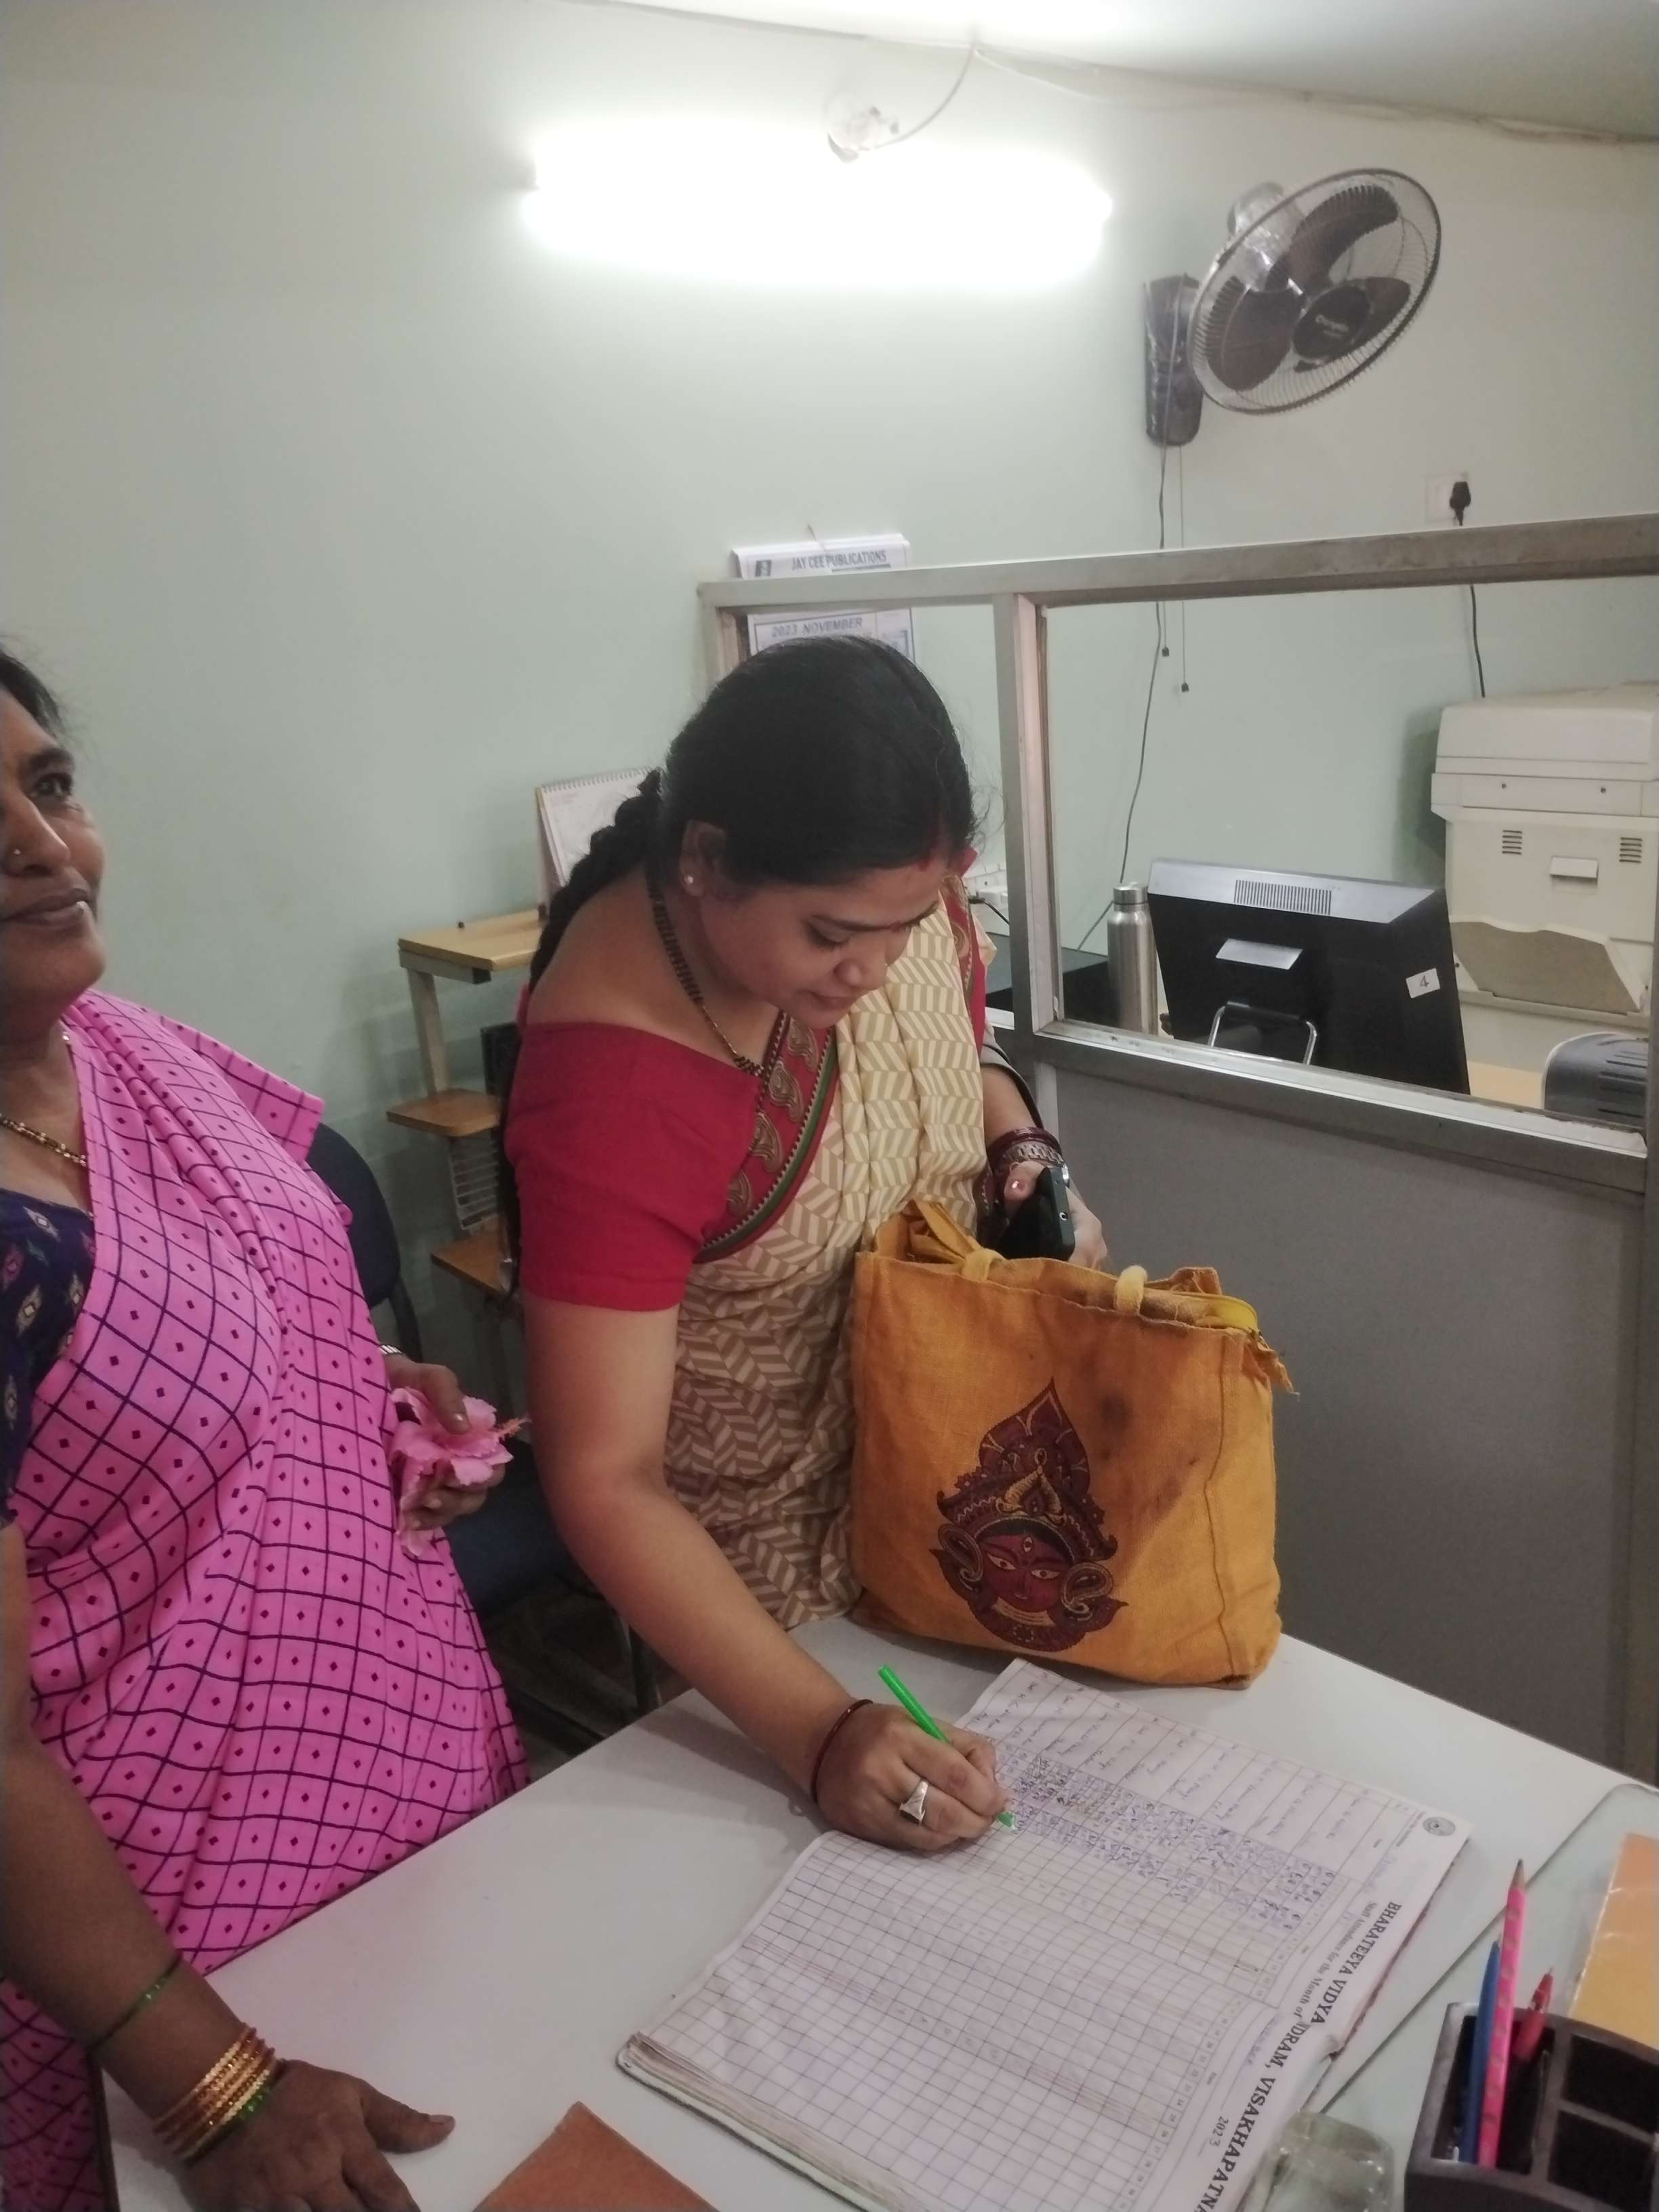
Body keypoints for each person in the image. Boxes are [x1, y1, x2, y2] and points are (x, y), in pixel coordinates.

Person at [0, 649, 525, 2212]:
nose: (41, 846)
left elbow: (242, 1304)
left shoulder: (125, 1053)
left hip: (410, 1796)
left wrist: (367, 1390)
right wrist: (214, 2091)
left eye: (48, 785)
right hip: (169, 1939)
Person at [504, 636, 1107, 1860]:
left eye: (907, 925)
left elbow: (959, 1050)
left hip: (953, 1482)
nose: (874, 970)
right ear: (706, 859)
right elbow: (604, 1478)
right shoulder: (621, 1085)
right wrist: (821, 1733)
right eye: (835, 933)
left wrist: (1024, 1148)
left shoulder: (887, 911)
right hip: (774, 1601)